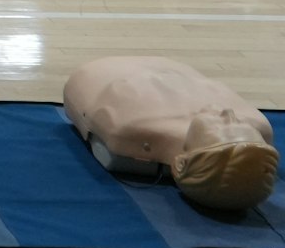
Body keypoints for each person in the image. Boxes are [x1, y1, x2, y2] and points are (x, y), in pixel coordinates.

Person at [63, 57, 276, 211]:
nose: (228, 112)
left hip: (100, 71)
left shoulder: (132, 126)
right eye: (239, 122)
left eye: (220, 126)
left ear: (181, 162)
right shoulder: (259, 126)